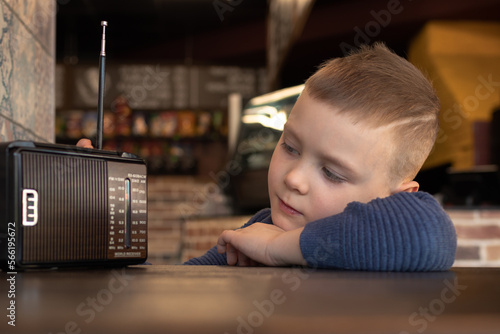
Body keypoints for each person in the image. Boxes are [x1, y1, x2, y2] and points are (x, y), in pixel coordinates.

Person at [77, 43, 457, 271]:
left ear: (398, 194)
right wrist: (99, 230)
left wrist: (278, 250)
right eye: (290, 147)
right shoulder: (257, 232)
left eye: (331, 172)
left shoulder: (271, 241)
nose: (294, 178)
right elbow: (178, 286)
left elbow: (426, 234)